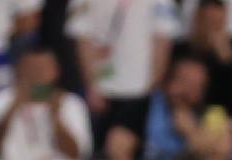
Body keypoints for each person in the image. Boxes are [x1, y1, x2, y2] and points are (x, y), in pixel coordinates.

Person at [67, 0, 181, 149]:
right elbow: (82, 38)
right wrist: (92, 85)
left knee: (126, 151)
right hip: (101, 91)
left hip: (138, 90)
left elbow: (163, 39)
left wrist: (152, 85)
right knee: (99, 152)